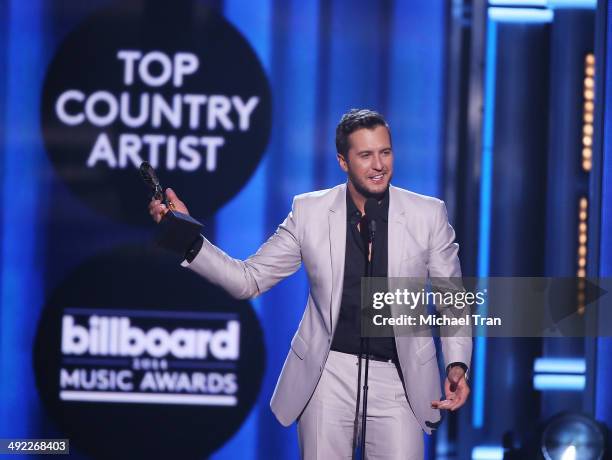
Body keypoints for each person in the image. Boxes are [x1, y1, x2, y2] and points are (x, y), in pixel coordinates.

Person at [149, 109, 471, 459]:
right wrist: (186, 238)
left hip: (400, 377)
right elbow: (249, 280)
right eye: (365, 155)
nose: (379, 165)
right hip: (327, 376)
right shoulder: (310, 213)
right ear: (343, 161)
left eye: (385, 152)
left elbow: (451, 299)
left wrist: (457, 365)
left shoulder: (427, 214)